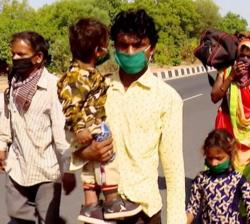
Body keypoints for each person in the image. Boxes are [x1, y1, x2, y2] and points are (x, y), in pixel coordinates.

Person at [70, 9, 186, 223]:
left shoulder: (167, 97)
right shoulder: (98, 87)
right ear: (114, 48)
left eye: (138, 45)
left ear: (151, 49)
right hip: (101, 211)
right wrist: (86, 152)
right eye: (123, 46)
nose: (130, 52)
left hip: (143, 210)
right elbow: (71, 137)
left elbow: (174, 168)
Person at [58, 18, 141, 224]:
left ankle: (90, 205)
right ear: (98, 50)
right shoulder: (78, 76)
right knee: (108, 157)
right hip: (90, 126)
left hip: (85, 127)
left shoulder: (84, 73)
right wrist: (79, 129)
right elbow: (71, 104)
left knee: (90, 166)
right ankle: (112, 201)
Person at [0, 31, 75, 224]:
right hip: (17, 167)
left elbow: (61, 133)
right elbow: (7, 118)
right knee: (17, 217)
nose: (16, 58)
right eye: (13, 54)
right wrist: (1, 145)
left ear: (38, 57)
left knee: (47, 220)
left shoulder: (53, 87)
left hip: (46, 171)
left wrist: (67, 169)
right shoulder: (12, 84)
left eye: (21, 55)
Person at [211, 33, 250, 181]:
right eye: (241, 55)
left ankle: (241, 200)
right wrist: (231, 78)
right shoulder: (226, 71)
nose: (245, 59)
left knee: (243, 174)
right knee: (222, 168)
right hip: (226, 127)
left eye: (249, 56)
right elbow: (214, 97)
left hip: (248, 133)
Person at [186, 129, 250, 224]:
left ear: (230, 155)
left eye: (219, 158)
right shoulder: (201, 179)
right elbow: (192, 209)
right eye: (210, 158)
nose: (214, 163)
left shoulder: (238, 180)